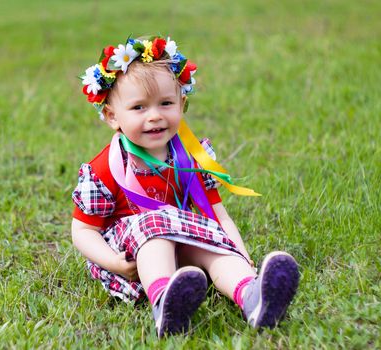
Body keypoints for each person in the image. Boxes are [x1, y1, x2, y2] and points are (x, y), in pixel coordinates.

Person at [71, 35, 299, 337]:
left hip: (181, 243)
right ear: (112, 116)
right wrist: (114, 262)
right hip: (131, 259)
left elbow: (218, 217)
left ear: (182, 102)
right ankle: (165, 303)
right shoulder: (106, 168)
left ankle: (252, 295)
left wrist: (239, 254)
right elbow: (83, 231)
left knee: (215, 250)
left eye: (166, 103)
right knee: (155, 232)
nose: (155, 116)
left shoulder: (191, 158)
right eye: (139, 108)